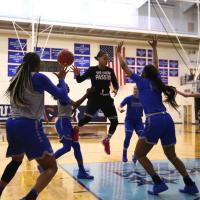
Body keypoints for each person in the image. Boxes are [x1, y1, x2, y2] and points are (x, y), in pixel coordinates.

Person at [116, 36, 199, 195]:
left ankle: (158, 182)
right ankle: (190, 184)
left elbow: (124, 66)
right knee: (172, 156)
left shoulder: (141, 82)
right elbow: (155, 64)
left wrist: (119, 53)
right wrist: (154, 47)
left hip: (154, 119)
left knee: (139, 154)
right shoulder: (157, 80)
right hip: (167, 119)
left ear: (144, 74)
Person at [0, 52, 69, 200]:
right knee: (51, 167)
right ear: (37, 65)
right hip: (28, 125)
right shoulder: (38, 77)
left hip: (11, 123)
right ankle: (29, 198)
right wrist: (62, 80)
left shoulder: (15, 78)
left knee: (16, 160)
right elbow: (62, 96)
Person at [71, 51, 119, 155]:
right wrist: (77, 74)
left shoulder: (110, 71)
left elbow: (115, 83)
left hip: (106, 99)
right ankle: (76, 129)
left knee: (115, 122)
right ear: (98, 59)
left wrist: (115, 89)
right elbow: (79, 80)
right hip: (95, 98)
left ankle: (107, 140)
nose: (106, 60)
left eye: (107, 59)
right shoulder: (92, 70)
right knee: (87, 118)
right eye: (104, 58)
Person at [52, 85, 94, 179]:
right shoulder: (63, 96)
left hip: (67, 122)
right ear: (61, 89)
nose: (66, 86)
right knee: (67, 147)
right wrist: (87, 94)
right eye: (65, 85)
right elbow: (76, 104)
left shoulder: (65, 97)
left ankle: (81, 171)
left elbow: (71, 109)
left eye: (67, 85)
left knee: (76, 146)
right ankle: (45, 164)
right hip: (63, 123)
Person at [118, 87, 144, 163]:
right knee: (128, 135)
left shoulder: (143, 99)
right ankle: (124, 154)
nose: (135, 91)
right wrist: (120, 109)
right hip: (129, 120)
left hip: (138, 121)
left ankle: (136, 155)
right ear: (133, 90)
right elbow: (119, 106)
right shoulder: (128, 98)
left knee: (142, 138)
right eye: (134, 90)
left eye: (137, 89)